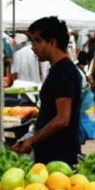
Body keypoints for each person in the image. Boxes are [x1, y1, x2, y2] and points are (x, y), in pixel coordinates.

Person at [12, 17, 82, 166]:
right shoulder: (57, 69)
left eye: (37, 41)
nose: (33, 47)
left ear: (52, 42)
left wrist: (32, 140)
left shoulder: (64, 72)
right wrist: (29, 138)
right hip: (51, 153)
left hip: (60, 156)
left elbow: (63, 119)